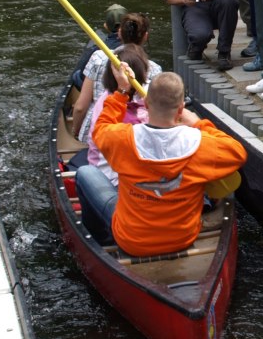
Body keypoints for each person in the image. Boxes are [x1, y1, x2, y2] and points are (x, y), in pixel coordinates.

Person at [82, 68, 246, 257]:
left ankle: (98, 241)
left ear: (146, 104)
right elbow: (238, 152)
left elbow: (101, 127)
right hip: (183, 239)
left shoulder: (122, 139)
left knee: (86, 173)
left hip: (131, 241)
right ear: (181, 109)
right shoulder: (201, 144)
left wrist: (122, 91)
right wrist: (198, 123)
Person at [73, 44, 151, 244]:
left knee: (85, 172)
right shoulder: (155, 104)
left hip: (122, 188)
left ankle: (97, 236)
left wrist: (122, 90)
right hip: (145, 186)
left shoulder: (107, 108)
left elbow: (99, 135)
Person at [71, 12, 163, 144]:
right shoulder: (155, 69)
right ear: (145, 36)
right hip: (134, 135)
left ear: (119, 33)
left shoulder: (98, 57)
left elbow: (80, 107)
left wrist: (75, 133)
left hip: (95, 131)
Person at [69, 4, 126, 90]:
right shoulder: (135, 48)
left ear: (106, 26)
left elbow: (81, 78)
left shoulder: (96, 52)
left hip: (102, 89)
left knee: (77, 76)